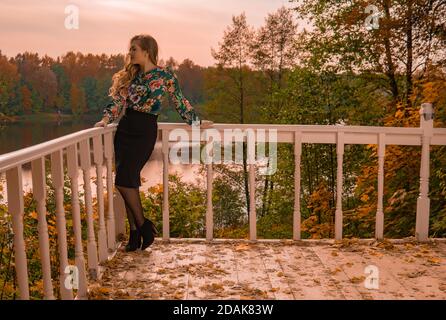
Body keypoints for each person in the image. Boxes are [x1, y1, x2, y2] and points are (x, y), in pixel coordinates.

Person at [94, 34, 213, 251]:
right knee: (128, 181)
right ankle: (135, 236)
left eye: (134, 49)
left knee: (123, 181)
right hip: (125, 130)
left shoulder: (164, 75)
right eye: (130, 49)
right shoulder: (130, 76)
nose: (130, 53)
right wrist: (105, 120)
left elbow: (179, 100)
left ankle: (144, 226)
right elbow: (118, 102)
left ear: (146, 51)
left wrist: (195, 121)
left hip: (145, 131)